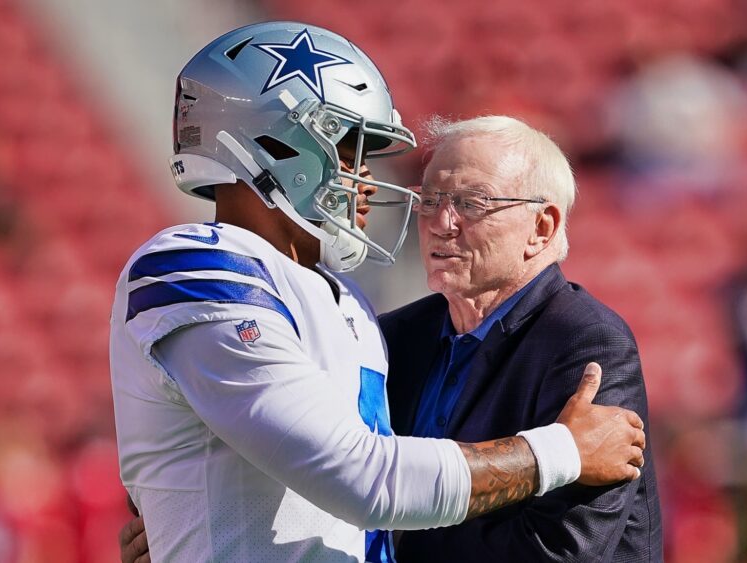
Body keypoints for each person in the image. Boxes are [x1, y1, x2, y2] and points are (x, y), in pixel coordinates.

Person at [110, 22, 645, 562]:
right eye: (345, 151)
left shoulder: (352, 307)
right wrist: (560, 452)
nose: (365, 178)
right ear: (271, 143)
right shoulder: (197, 266)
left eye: (473, 202)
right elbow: (363, 479)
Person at [381, 116, 663, 561]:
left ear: (542, 228)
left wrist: (399, 538)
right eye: (429, 199)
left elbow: (563, 550)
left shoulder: (586, 342)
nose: (440, 222)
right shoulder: (396, 335)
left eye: (472, 203)